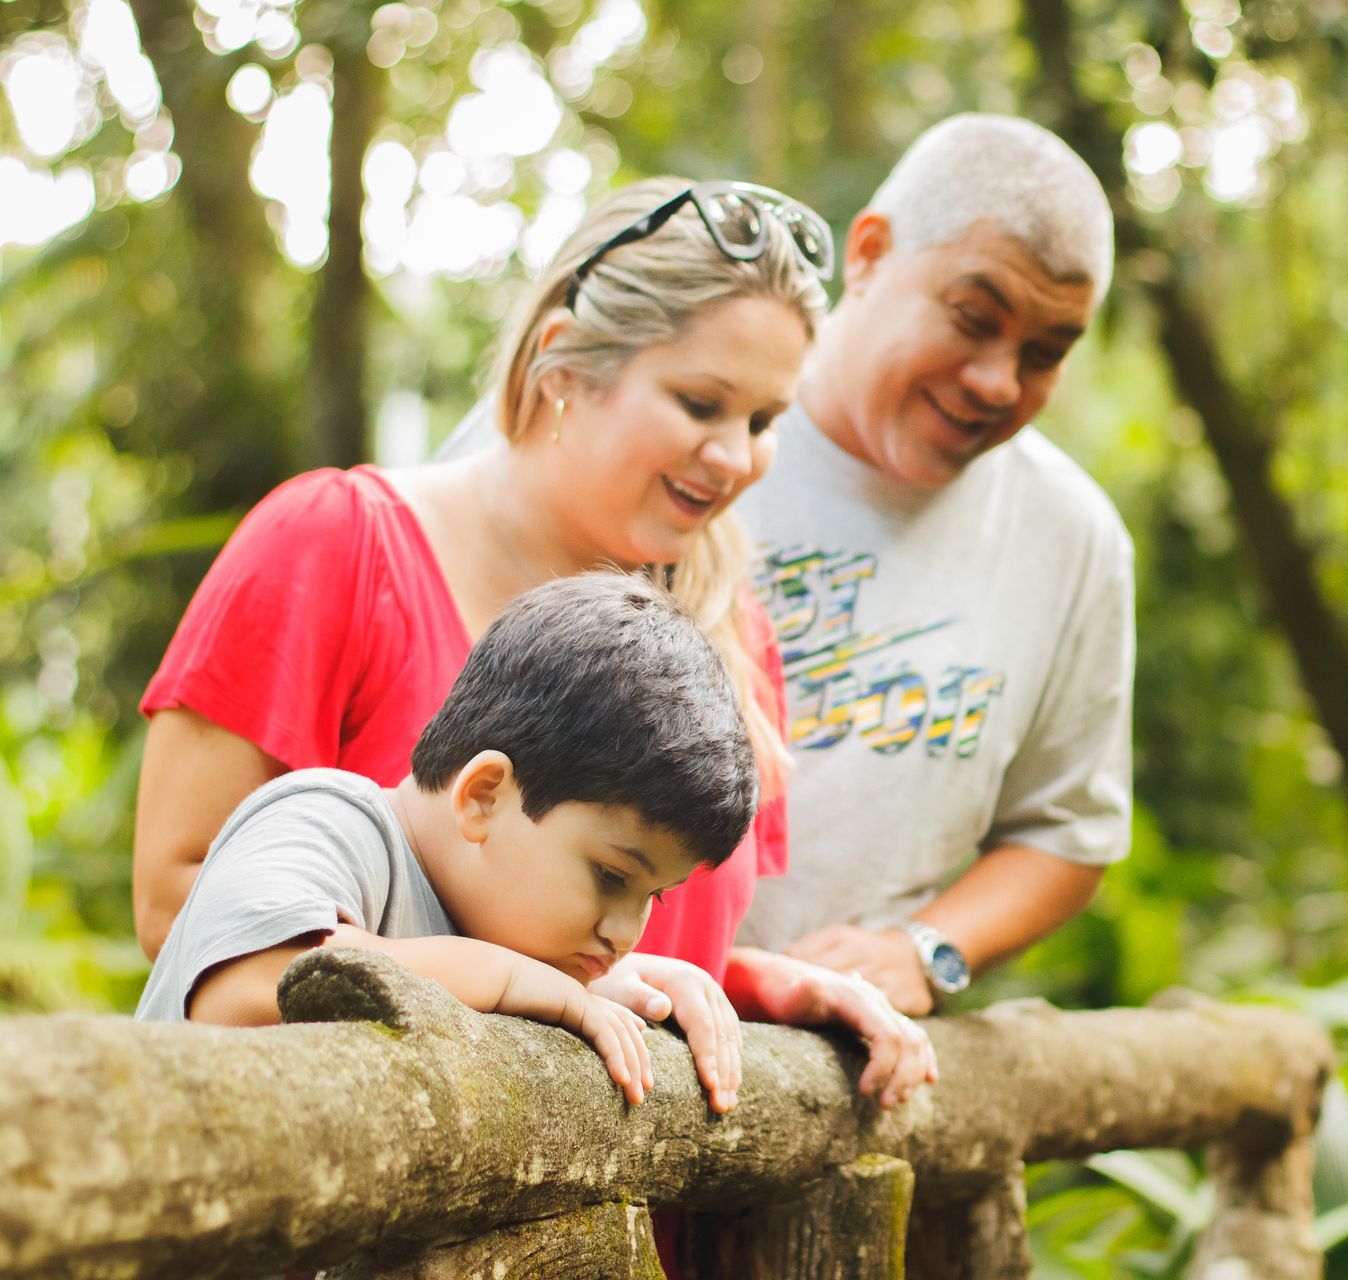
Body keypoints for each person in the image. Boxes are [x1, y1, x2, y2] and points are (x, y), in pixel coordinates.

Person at [132, 176, 934, 1116]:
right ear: (561, 364)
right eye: (700, 402)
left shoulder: (736, 641)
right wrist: (527, 990)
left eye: (762, 422)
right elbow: (190, 915)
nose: (735, 457)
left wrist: (768, 990)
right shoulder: (335, 543)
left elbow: (642, 944)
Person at [733, 115, 1136, 1016]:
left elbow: (1068, 828)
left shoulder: (1071, 537)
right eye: (973, 320)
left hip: (847, 1075)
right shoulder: (680, 421)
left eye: (1044, 354)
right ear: (869, 254)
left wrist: (925, 950)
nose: (998, 382)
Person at [137, 574, 758, 1107]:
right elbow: (248, 989)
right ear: (484, 795)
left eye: (658, 896)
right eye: (613, 877)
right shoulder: (326, 820)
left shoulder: (492, 921)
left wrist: (595, 986)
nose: (626, 933)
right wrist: (515, 981)